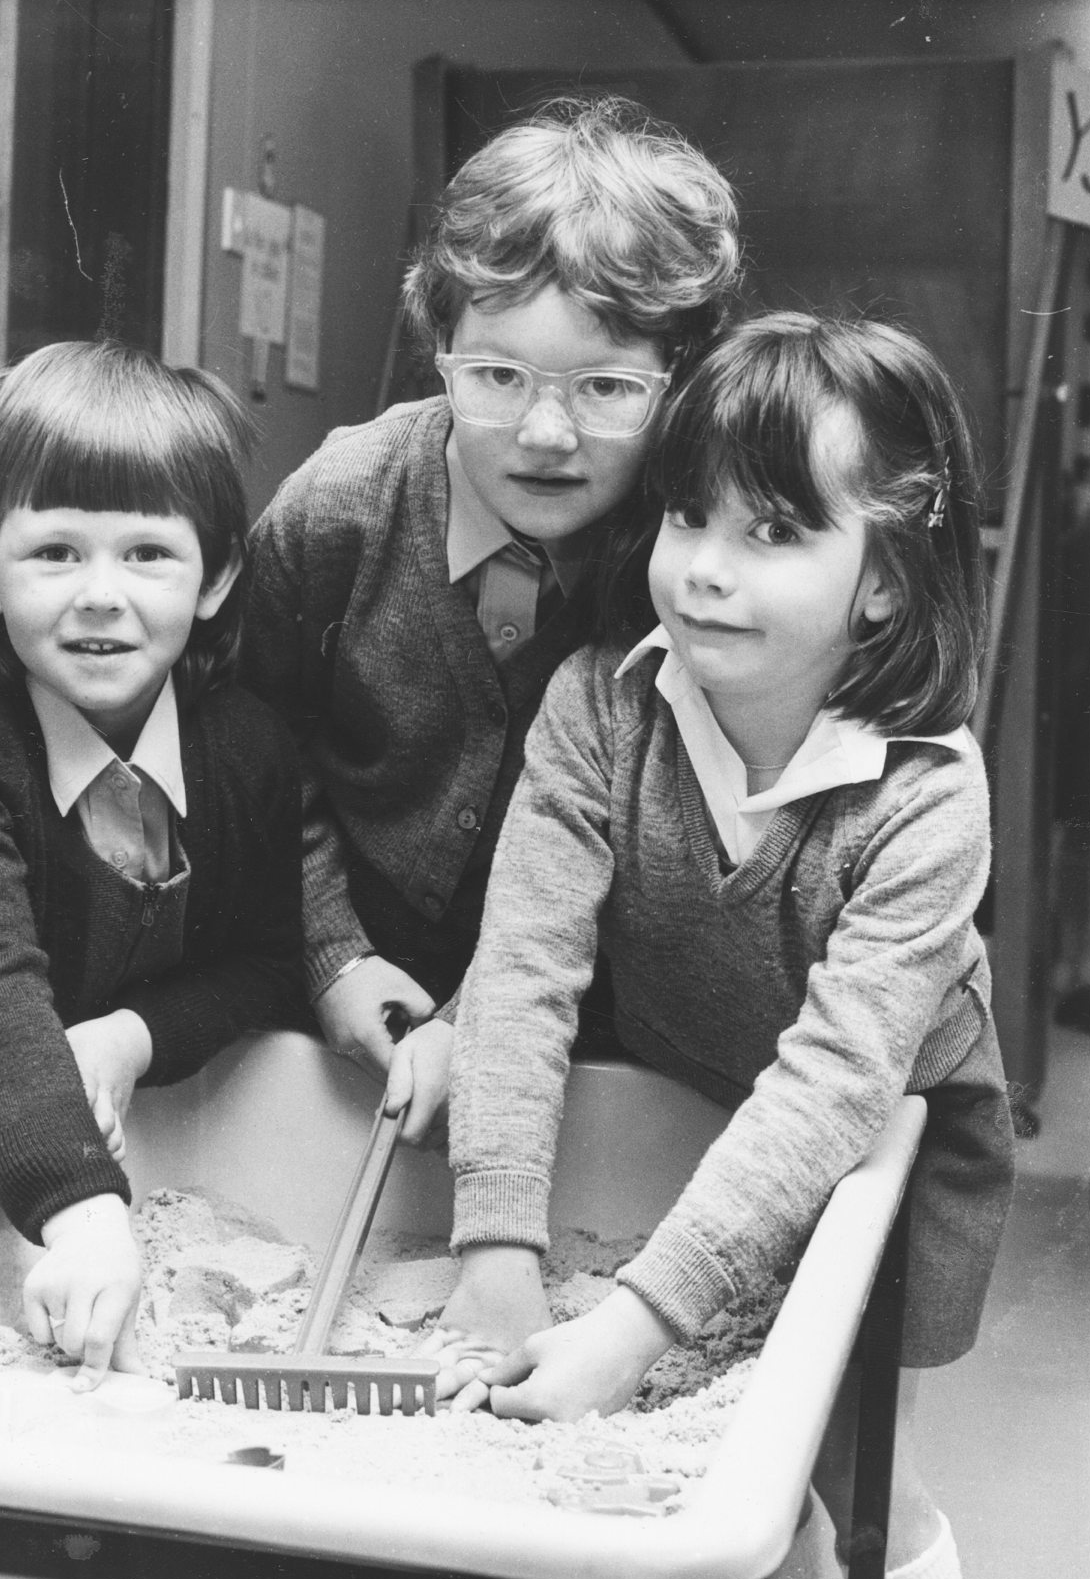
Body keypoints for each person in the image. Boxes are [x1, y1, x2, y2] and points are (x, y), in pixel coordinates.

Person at [440, 312, 1015, 1579]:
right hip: (696, 1085)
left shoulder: (927, 796)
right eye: (688, 514)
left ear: (881, 575)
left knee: (839, 1470)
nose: (704, 565)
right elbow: (520, 968)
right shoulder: (600, 706)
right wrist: (497, 1240)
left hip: (885, 1127)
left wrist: (632, 1326)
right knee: (711, 1447)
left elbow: (836, 1084)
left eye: (772, 531)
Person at [241, 95, 742, 1183]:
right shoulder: (337, 509)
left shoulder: (698, 570)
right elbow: (254, 760)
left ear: (683, 380)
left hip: (581, 1035)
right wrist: (331, 953)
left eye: (608, 387)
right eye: (498, 377)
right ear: (439, 347)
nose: (547, 434)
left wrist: (486, 1026)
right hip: (318, 1007)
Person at [0, 342, 303, 1391]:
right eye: (57, 552)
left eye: (147, 555)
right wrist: (82, 1217)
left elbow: (264, 962)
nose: (101, 595)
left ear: (214, 577)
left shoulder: (247, 746)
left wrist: (131, 1038)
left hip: (170, 1148)